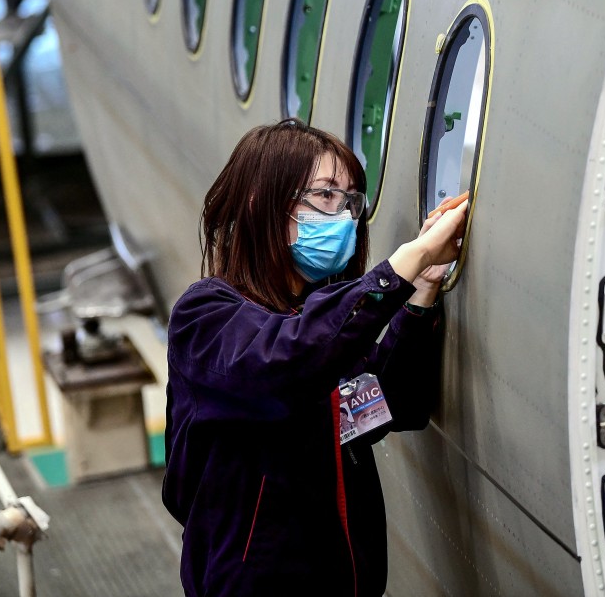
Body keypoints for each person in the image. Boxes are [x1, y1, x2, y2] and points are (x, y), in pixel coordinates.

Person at [161, 118, 467, 596]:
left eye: (351, 202)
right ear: (263, 203)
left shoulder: (316, 322)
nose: (344, 217)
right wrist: (409, 259)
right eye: (325, 197)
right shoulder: (206, 316)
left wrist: (423, 290)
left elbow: (387, 404)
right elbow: (283, 365)